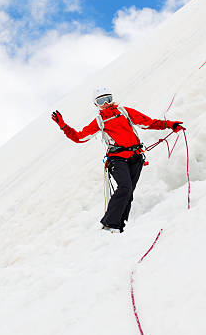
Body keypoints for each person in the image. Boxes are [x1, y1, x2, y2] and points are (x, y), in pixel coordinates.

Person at [51, 86, 184, 233]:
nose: (106, 103)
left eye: (108, 99)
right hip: (117, 159)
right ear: (96, 105)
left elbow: (148, 122)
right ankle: (109, 225)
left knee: (129, 193)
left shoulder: (124, 112)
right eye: (101, 101)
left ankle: (119, 227)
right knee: (124, 187)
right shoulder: (99, 121)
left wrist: (170, 125)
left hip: (136, 157)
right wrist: (63, 126)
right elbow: (80, 137)